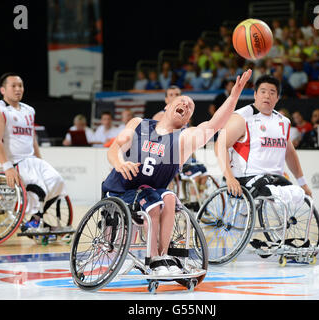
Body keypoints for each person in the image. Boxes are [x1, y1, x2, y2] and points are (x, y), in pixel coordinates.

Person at [101, 69, 252, 276]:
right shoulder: (139, 124)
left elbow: (214, 124)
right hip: (121, 189)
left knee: (170, 197)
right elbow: (114, 149)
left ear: (188, 119)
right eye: (182, 101)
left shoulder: (183, 139)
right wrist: (119, 163)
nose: (186, 105)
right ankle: (152, 258)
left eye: (190, 107)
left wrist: (234, 96)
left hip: (149, 193)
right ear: (167, 105)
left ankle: (163, 256)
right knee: (153, 204)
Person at [215, 75, 312, 215]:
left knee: (296, 194)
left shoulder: (283, 122)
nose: (267, 95)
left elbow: (290, 153)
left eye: (272, 92)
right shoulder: (242, 118)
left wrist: (303, 183)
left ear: (277, 98)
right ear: (255, 94)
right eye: (263, 91)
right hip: (246, 178)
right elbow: (220, 145)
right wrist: (230, 178)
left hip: (273, 179)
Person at [0, 72, 66, 230]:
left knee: (57, 181)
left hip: (30, 160)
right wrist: (7, 167)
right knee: (39, 187)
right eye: (13, 86)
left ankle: (35, 219)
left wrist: (40, 159)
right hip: (9, 162)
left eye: (20, 86)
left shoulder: (29, 110)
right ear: (2, 90)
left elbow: (32, 138)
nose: (18, 89)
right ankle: (34, 220)